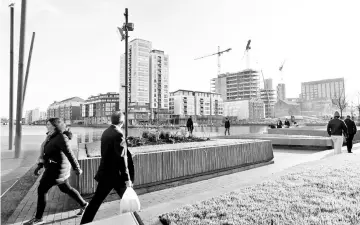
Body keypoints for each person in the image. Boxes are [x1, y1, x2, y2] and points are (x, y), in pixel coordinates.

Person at [25, 118, 88, 225]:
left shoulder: (61, 137)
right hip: (55, 168)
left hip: (56, 170)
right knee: (66, 189)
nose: (46, 126)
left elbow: (70, 153)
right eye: (46, 124)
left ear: (55, 126)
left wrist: (77, 168)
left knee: (42, 189)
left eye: (49, 124)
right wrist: (40, 165)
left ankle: (38, 218)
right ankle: (84, 204)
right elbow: (45, 153)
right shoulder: (50, 136)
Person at [80, 111, 135, 224]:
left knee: (96, 201)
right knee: (129, 200)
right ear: (123, 121)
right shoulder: (119, 134)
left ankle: (84, 222)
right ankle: (136, 219)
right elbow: (121, 159)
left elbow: (110, 152)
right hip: (115, 175)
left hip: (106, 173)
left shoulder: (106, 131)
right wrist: (127, 178)